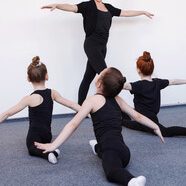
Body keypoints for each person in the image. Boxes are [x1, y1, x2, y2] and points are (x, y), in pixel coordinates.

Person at [35, 67, 164, 186]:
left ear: (99, 84)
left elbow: (73, 124)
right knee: (105, 146)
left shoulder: (91, 100)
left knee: (111, 171)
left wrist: (54, 145)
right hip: (124, 151)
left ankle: (132, 180)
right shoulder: (118, 99)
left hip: (111, 151)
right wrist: (155, 126)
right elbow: (137, 116)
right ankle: (96, 147)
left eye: (101, 73)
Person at [42, 0, 154, 105]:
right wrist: (57, 5)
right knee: (108, 78)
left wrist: (143, 12)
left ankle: (80, 107)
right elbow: (72, 7)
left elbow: (126, 12)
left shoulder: (108, 8)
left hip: (102, 47)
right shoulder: (87, 6)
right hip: (92, 45)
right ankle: (119, 111)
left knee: (87, 78)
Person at [0, 56, 81, 164]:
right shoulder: (53, 93)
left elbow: (8, 113)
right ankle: (51, 150)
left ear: (28, 79)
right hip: (47, 135)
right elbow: (71, 104)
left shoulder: (29, 99)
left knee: (32, 148)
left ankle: (49, 153)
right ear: (47, 76)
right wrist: (88, 112)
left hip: (35, 135)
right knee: (42, 143)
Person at [122, 51, 186, 140]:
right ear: (152, 69)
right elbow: (173, 81)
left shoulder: (138, 85)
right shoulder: (158, 82)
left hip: (148, 121)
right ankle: (121, 118)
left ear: (138, 70)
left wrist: (115, 82)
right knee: (125, 123)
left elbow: (125, 86)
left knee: (165, 132)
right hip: (143, 119)